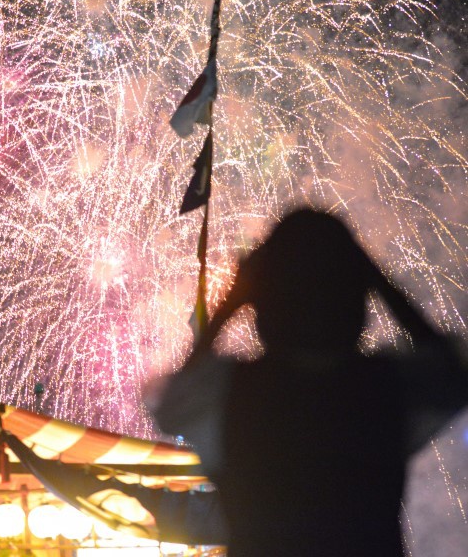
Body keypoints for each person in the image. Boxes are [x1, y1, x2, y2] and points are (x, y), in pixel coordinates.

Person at [152, 208, 468, 557]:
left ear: (263, 306)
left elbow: (174, 399)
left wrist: (233, 297)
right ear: (358, 302)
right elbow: (452, 373)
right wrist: (377, 279)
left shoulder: (227, 394)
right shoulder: (387, 388)